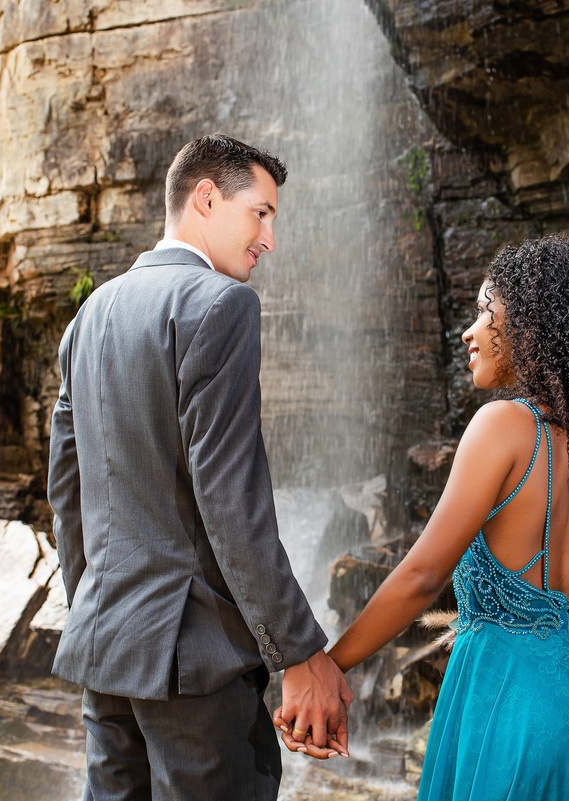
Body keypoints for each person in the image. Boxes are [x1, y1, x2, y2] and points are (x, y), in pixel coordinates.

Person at [277, 234, 569, 798]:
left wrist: (330, 667)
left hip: (507, 710)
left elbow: (422, 577)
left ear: (532, 327)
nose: (470, 330)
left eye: (486, 310)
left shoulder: (502, 427)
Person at [48, 133, 353, 801]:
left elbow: (67, 494)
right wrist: (299, 653)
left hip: (107, 650)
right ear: (205, 198)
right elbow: (229, 500)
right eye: (261, 214)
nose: (269, 239)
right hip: (195, 665)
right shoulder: (220, 305)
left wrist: (96, 611)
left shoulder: (87, 319)